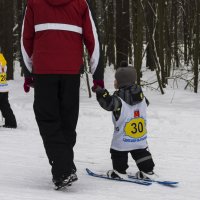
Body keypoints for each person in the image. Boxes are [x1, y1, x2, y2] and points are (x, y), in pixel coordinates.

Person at [21, 0, 104, 189]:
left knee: (48, 119)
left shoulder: (34, 3)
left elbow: (26, 39)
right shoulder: (81, 3)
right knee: (67, 120)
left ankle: (63, 169)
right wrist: (97, 76)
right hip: (70, 72)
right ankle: (64, 168)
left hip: (44, 71)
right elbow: (93, 39)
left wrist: (28, 72)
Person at [94, 61, 157, 180]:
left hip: (123, 138)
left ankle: (119, 171)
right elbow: (145, 104)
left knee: (118, 152)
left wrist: (101, 93)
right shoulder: (142, 96)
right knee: (141, 152)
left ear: (120, 82)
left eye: (116, 80)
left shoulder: (118, 99)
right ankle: (147, 170)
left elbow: (108, 104)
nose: (114, 82)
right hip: (139, 136)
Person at [0, 53, 17, 129]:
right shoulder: (3, 62)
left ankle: (11, 122)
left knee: (5, 106)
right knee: (5, 106)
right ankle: (11, 122)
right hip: (4, 88)